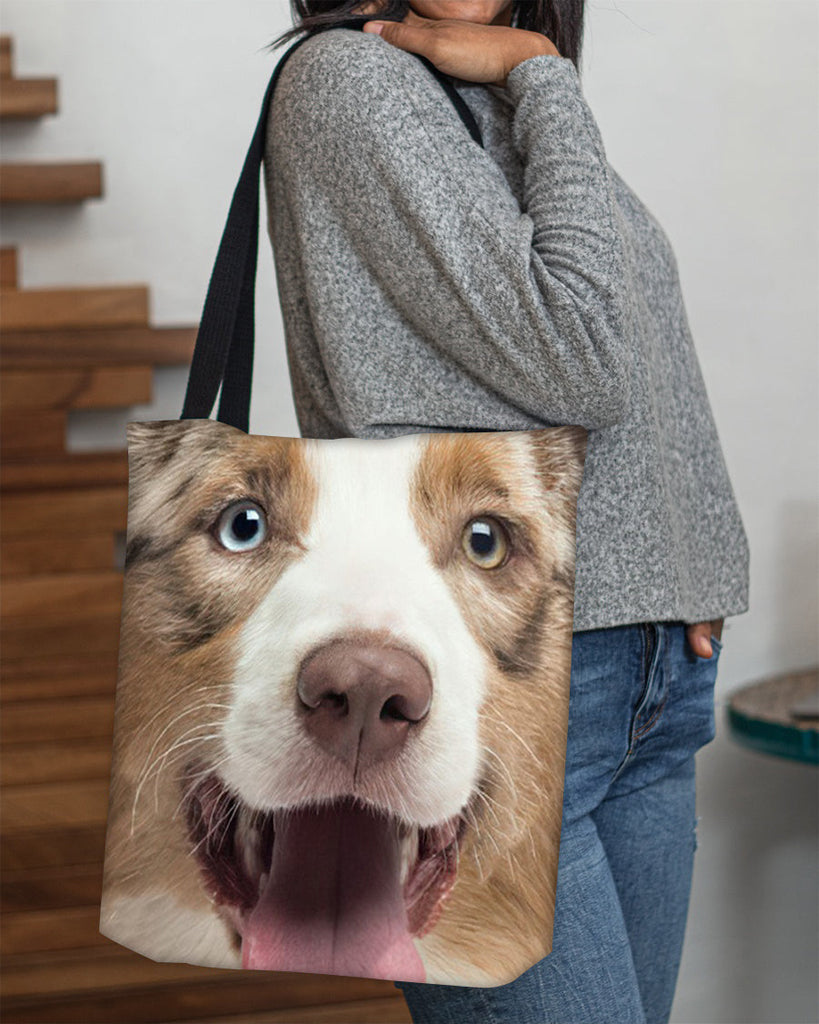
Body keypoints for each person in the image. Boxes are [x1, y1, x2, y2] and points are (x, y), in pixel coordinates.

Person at [262, 2, 750, 1021]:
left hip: (643, 683)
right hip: (495, 691)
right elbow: (585, 354)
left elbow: (640, 328)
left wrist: (681, 574)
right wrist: (544, 71)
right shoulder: (352, 84)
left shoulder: (484, 89)